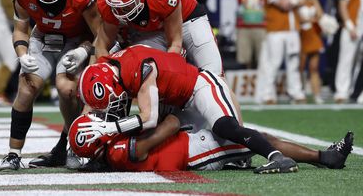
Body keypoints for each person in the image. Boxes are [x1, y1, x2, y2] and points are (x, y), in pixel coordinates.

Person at [76, 45, 298, 174]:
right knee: (230, 138)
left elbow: (150, 119)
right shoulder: (113, 65)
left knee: (226, 127)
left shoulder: (135, 69)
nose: (108, 110)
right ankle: (323, 157)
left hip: (198, 86)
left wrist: (110, 127)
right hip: (179, 100)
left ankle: (275, 156)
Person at [0, 0, 101, 171]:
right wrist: (22, 55)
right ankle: (13, 154)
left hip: (76, 41)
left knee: (67, 89)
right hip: (42, 37)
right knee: (26, 87)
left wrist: (85, 51)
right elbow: (20, 29)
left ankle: (73, 146)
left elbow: (100, 35)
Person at [69, 112, 353, 172]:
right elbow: (168, 128)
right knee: (260, 140)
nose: (101, 119)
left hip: (191, 146)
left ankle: (321, 155)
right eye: (96, 123)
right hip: (197, 150)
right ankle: (324, 157)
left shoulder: (108, 153)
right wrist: (165, 116)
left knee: (253, 137)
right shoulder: (119, 152)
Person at [95, 0, 223, 77]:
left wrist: (170, 67)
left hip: (187, 19)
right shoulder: (109, 3)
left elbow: (175, 42)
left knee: (214, 76)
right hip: (154, 29)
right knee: (144, 71)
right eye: (117, 7)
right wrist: (107, 75)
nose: (121, 12)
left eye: (127, 6)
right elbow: (101, 47)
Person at [261, 0, 306, 104]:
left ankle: (297, 94)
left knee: (294, 63)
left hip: (292, 30)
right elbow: (284, 5)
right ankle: (268, 94)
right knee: (274, 62)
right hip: (276, 31)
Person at [334, 0, 363, 103]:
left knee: (360, 62)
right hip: (352, 27)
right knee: (346, 59)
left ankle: (355, 92)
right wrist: (349, 25)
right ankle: (341, 92)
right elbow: (342, 6)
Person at [296, 0, 325, 104]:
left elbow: (320, 15)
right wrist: (309, 19)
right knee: (300, 67)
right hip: (302, 36)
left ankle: (317, 94)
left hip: (314, 36)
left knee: (314, 67)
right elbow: (298, 18)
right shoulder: (297, 0)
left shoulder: (313, 0)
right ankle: (300, 93)